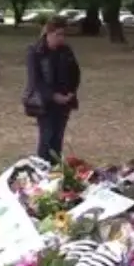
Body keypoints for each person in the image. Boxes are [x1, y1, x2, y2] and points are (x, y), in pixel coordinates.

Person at [25, 17, 81, 164]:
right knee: (46, 137)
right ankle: (43, 168)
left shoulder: (66, 51)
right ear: (48, 34)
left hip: (64, 102)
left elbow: (75, 73)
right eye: (58, 34)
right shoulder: (35, 51)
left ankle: (55, 169)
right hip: (45, 103)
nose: (61, 38)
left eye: (63, 35)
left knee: (58, 138)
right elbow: (35, 80)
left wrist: (71, 92)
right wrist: (52, 96)